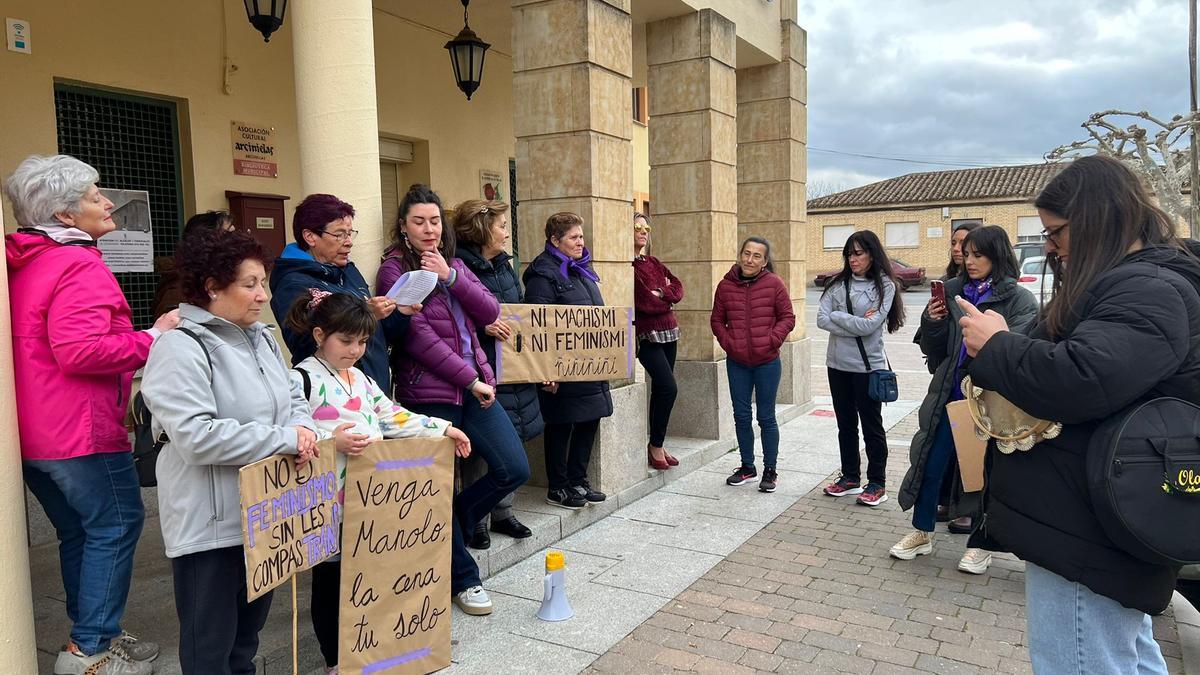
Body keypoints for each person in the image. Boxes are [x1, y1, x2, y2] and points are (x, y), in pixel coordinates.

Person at [958, 155, 1200, 673]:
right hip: (1095, 516)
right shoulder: (1134, 281)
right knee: (1125, 655)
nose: (1049, 246)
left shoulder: (1146, 287)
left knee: (1082, 659)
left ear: (1099, 218)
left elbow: (1083, 379)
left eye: (1056, 231)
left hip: (1088, 526)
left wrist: (997, 346)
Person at [5, 154, 176, 675]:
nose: (107, 202)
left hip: (36, 432)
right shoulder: (78, 263)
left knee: (82, 532)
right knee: (118, 525)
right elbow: (80, 351)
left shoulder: (27, 261)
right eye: (95, 194)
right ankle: (91, 649)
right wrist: (153, 336)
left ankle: (93, 631)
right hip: (79, 429)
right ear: (63, 216)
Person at [140, 228, 319, 675]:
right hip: (210, 522)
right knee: (210, 646)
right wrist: (283, 439)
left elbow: (293, 396)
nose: (264, 295)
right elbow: (196, 435)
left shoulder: (260, 336)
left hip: (264, 514)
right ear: (212, 287)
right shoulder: (180, 346)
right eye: (250, 284)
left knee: (246, 639)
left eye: (264, 282)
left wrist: (302, 427)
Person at [284, 291, 471, 674]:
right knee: (331, 579)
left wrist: (444, 427)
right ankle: (336, 658)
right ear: (320, 335)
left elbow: (393, 416)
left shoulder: (363, 380)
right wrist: (330, 442)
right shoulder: (299, 378)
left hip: (372, 501)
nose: (355, 349)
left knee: (370, 575)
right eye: (346, 341)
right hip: (328, 502)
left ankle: (374, 645)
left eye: (363, 341)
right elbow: (289, 435)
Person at [379, 184, 531, 617]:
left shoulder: (455, 264)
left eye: (434, 221)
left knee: (513, 467)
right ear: (404, 228)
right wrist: (470, 379)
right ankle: (465, 580)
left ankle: (458, 519)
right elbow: (418, 337)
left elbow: (490, 311)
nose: (429, 229)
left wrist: (450, 275)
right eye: (418, 222)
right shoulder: (394, 271)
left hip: (475, 386)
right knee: (437, 489)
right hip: (432, 392)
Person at [890, 225, 1036, 574]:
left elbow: (1019, 355)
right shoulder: (953, 291)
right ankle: (921, 532)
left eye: (978, 255)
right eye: (966, 253)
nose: (969, 261)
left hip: (990, 403)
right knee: (930, 465)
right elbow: (933, 349)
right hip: (949, 397)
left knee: (982, 474)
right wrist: (934, 322)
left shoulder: (1019, 300)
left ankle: (979, 544)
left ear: (997, 256)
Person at [452, 198, 540, 549]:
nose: (506, 233)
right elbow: (454, 315)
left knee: (512, 440)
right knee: (480, 449)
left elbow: (519, 312)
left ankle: (504, 511)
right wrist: (483, 327)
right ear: (482, 228)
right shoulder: (459, 266)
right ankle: (477, 519)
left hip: (513, 365)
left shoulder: (505, 265)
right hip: (479, 368)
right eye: (502, 226)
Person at [270, 193, 415, 392]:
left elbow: (377, 333)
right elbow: (306, 342)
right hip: (334, 396)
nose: (348, 242)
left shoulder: (348, 271)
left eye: (350, 233)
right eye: (339, 234)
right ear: (310, 236)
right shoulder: (292, 283)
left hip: (373, 391)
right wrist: (365, 313)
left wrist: (399, 314)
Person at [523, 212, 614, 509]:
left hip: (589, 365)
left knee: (590, 418)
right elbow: (538, 324)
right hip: (561, 368)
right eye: (573, 237)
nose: (580, 242)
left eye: (581, 236)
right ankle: (558, 487)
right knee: (561, 424)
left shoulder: (580, 270)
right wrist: (546, 369)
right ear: (554, 240)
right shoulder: (543, 273)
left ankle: (578, 480)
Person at [817, 230, 905, 506]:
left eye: (858, 253)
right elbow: (821, 319)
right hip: (837, 364)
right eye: (849, 254)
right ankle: (850, 476)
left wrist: (838, 316)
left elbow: (870, 326)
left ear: (872, 253)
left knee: (872, 426)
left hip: (869, 368)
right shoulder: (836, 284)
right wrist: (850, 320)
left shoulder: (885, 286)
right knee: (845, 424)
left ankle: (877, 482)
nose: (853, 259)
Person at [711, 236, 796, 493]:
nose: (750, 259)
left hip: (767, 362)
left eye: (756, 256)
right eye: (746, 253)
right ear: (740, 255)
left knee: (766, 417)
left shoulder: (774, 283)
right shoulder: (725, 286)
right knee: (741, 415)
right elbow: (716, 320)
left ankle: (770, 469)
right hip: (737, 363)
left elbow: (788, 317)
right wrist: (730, 343)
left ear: (765, 261)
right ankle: (747, 466)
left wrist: (772, 340)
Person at [632, 212, 683, 470]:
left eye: (646, 227)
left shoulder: (653, 262)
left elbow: (678, 287)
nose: (643, 231)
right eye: (637, 226)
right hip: (647, 335)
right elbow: (644, 302)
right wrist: (664, 299)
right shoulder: (629, 266)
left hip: (669, 332)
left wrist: (662, 292)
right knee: (668, 387)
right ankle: (655, 445)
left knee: (663, 392)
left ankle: (658, 444)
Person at [151, 210, 234, 316]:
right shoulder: (178, 288)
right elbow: (173, 327)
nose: (236, 240)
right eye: (228, 235)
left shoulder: (217, 277)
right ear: (206, 242)